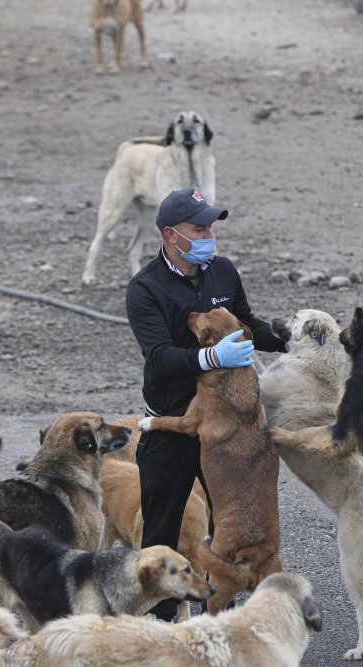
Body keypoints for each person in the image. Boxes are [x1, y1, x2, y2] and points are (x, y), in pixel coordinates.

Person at [125, 188, 287, 622]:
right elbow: (157, 354)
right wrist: (210, 358)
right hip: (174, 421)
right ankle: (158, 626)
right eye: (200, 228)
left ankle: (223, 618)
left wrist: (287, 336)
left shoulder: (223, 272)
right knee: (160, 528)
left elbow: (248, 323)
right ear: (171, 235)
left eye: (211, 226)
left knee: (232, 525)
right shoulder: (145, 289)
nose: (209, 235)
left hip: (231, 430)